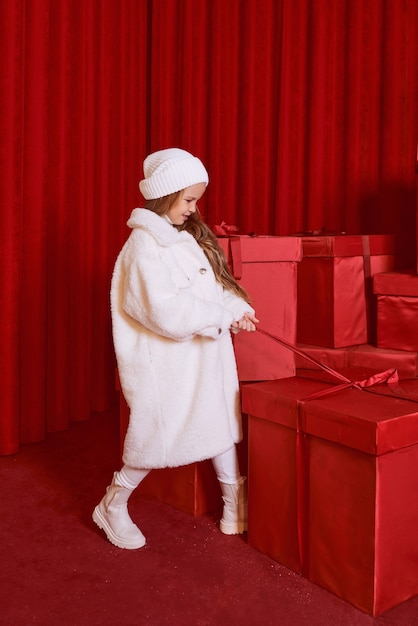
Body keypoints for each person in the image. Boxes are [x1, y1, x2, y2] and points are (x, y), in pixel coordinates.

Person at [93, 148, 259, 549]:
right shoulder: (143, 247)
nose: (193, 208)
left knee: (218, 425)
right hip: (166, 365)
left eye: (196, 200)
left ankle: (233, 505)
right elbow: (164, 310)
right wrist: (217, 318)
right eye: (188, 200)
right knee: (154, 439)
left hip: (202, 359)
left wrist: (237, 310)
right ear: (164, 196)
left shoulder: (183, 241)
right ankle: (113, 504)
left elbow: (212, 289)